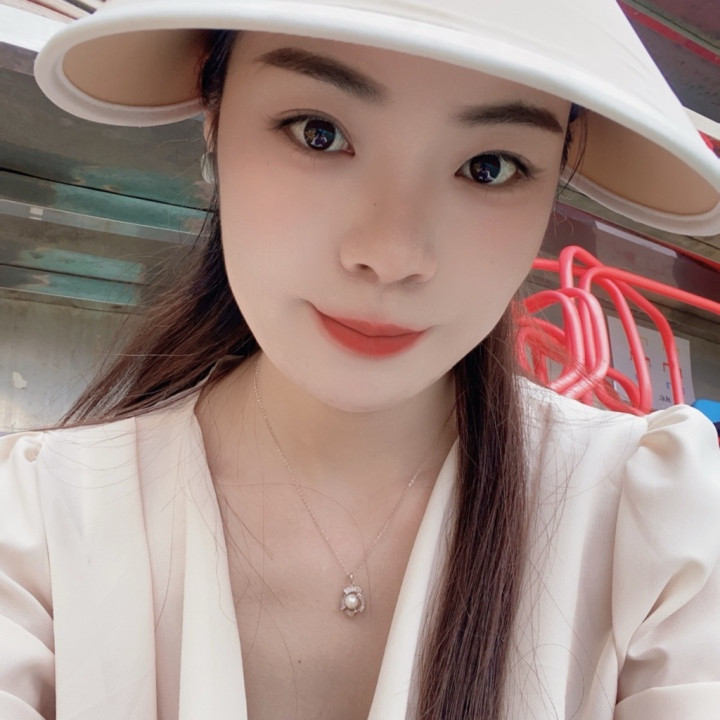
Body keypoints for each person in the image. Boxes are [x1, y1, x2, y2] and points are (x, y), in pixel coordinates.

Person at [2, 1, 720, 718]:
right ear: (213, 114)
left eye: (489, 167)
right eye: (319, 133)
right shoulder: (37, 530)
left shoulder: (653, 527)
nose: (392, 254)